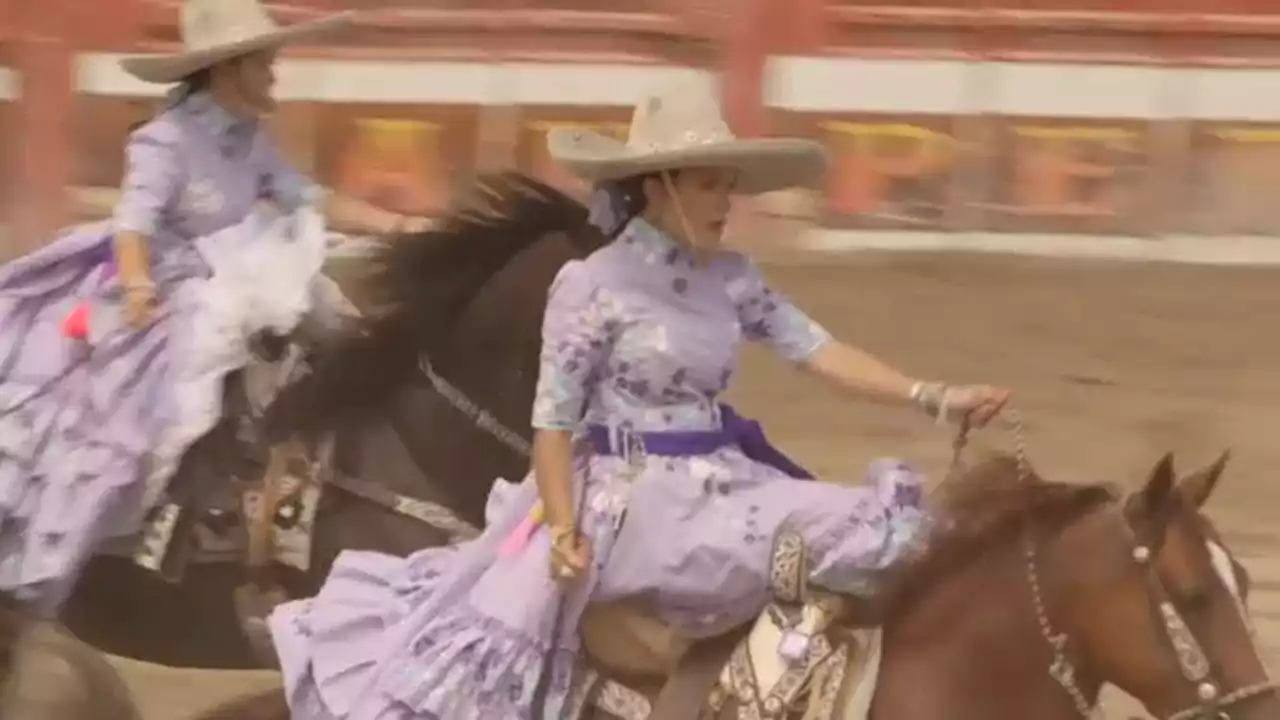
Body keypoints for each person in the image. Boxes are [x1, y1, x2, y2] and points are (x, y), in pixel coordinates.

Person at [267, 80, 1011, 720]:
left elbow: (817, 351)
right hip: (632, 501)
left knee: (881, 525)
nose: (728, 201)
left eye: (729, 183)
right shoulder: (591, 287)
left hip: (727, 481)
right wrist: (560, 528)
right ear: (660, 186)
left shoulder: (732, 277)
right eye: (711, 184)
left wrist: (935, 396)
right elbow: (554, 425)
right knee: (817, 544)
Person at [0, 0, 432, 616]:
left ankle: (304, 500)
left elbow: (304, 198)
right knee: (176, 396)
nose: (274, 76)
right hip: (171, 281)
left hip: (250, 270)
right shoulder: (164, 139)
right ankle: (165, 522)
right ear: (231, 70)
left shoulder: (250, 137)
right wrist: (137, 284)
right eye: (266, 64)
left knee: (336, 340)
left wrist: (398, 225)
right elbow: (134, 223)